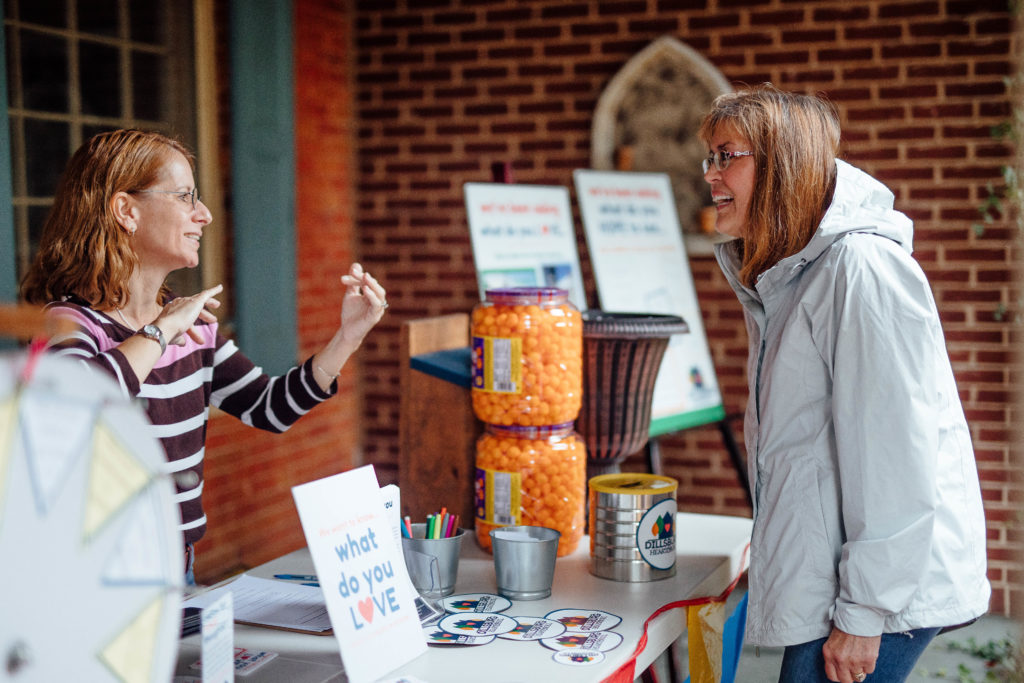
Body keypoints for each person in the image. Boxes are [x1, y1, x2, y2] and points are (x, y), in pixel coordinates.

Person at [700, 84, 990, 683]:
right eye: (711, 158)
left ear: (783, 163)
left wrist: (864, 612)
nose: (711, 174)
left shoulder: (861, 268)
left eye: (727, 155)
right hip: (845, 579)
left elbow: (896, 456)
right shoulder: (795, 275)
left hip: (881, 595)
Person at [20, 129, 388, 581]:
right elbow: (79, 400)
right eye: (185, 197)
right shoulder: (72, 322)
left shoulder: (191, 328)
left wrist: (347, 337)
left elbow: (269, 409)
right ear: (126, 210)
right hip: (96, 577)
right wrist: (161, 329)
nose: (205, 215)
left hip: (180, 563)